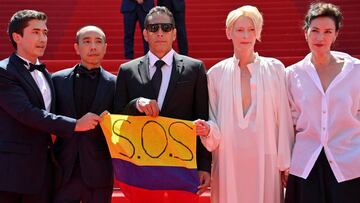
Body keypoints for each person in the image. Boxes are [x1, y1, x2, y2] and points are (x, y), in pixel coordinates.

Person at [194, 5, 294, 203]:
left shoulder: (275, 69)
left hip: (266, 158)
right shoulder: (215, 74)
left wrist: (286, 164)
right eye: (240, 30)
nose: (246, 35)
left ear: (258, 33)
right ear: (228, 32)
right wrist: (207, 130)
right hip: (229, 159)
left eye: (251, 29)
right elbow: (214, 120)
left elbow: (284, 118)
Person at [0, 10, 101, 203]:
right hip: (11, 174)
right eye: (36, 32)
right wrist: (75, 124)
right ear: (17, 37)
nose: (43, 38)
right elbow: (27, 113)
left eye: (45, 33)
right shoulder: (4, 72)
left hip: (44, 172)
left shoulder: (46, 74)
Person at [114, 6, 211, 202]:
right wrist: (136, 104)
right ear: (145, 33)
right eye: (154, 28)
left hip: (181, 165)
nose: (160, 33)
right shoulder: (127, 70)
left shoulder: (195, 68)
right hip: (141, 165)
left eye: (166, 28)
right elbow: (118, 117)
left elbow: (202, 117)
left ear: (174, 33)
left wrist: (204, 166)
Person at [285, 3, 360, 203]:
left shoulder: (356, 71)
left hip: (349, 163)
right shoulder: (292, 74)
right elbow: (288, 123)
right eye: (315, 30)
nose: (320, 38)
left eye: (328, 31)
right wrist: (285, 163)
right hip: (306, 164)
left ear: (336, 35)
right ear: (306, 32)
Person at [52, 25, 116, 203]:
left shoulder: (116, 84)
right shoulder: (56, 80)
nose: (93, 47)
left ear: (105, 48)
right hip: (63, 169)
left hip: (99, 172)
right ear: (76, 47)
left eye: (98, 42)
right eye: (87, 42)